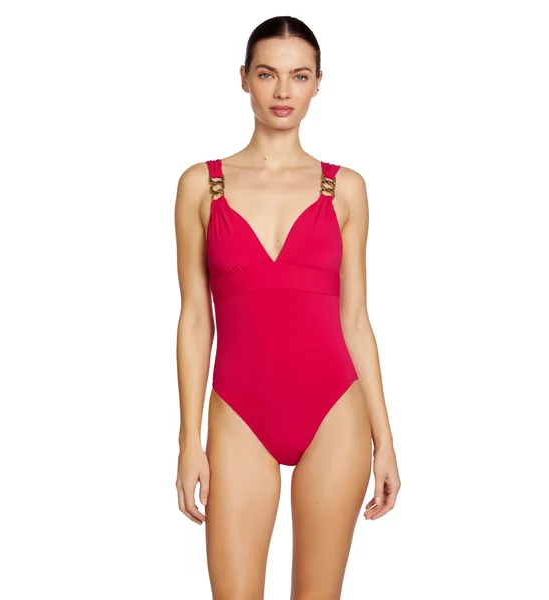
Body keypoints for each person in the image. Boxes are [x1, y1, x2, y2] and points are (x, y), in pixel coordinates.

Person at [174, 15, 401, 599]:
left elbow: (356, 319)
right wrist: (188, 440)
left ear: (318, 83)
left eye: (299, 76)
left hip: (336, 413)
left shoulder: (345, 188)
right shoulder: (201, 185)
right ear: (243, 78)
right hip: (239, 412)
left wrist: (385, 439)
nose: (282, 91)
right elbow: (195, 318)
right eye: (267, 74)